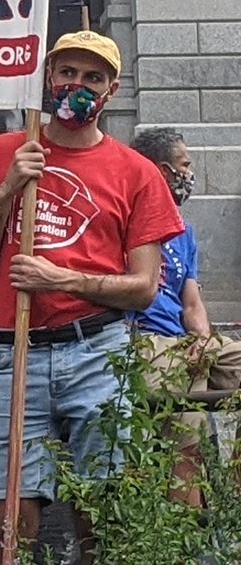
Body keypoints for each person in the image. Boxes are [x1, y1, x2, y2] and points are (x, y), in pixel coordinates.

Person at [0, 30, 184, 565]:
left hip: (99, 354)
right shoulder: (1, 154)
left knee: (101, 523)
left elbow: (144, 287)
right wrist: (8, 189)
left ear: (112, 90)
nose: (77, 86)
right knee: (11, 529)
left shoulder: (137, 173)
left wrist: (63, 280)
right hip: (18, 353)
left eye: (92, 78)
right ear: (49, 77)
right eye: (68, 74)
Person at [129, 127, 241, 507]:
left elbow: (192, 303)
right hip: (147, 340)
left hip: (185, 342)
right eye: (185, 165)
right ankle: (184, 530)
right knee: (184, 449)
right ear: (163, 170)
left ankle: (232, 494)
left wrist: (204, 340)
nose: (189, 174)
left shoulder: (183, 230)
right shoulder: (127, 220)